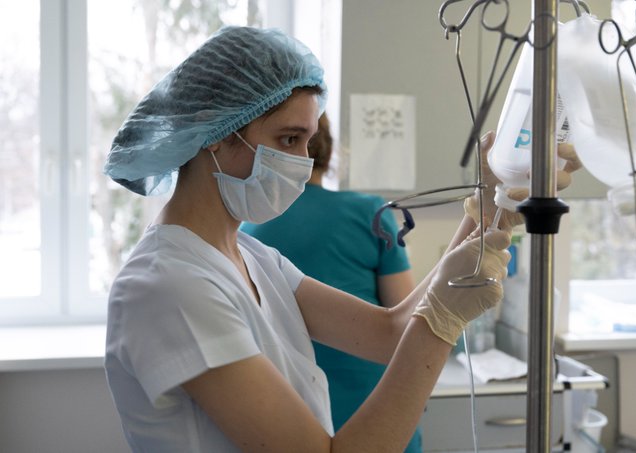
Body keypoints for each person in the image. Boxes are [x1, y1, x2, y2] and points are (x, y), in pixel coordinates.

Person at [102, 25, 576, 452]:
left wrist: (490, 211)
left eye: (307, 141)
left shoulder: (250, 256)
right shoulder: (169, 285)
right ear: (215, 135)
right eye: (289, 140)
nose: (304, 162)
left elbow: (387, 333)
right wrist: (443, 320)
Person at [240, 113, 422, 452]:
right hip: (378, 411)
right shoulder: (371, 213)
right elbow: (409, 324)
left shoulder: (250, 229)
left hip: (294, 417)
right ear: (327, 149)